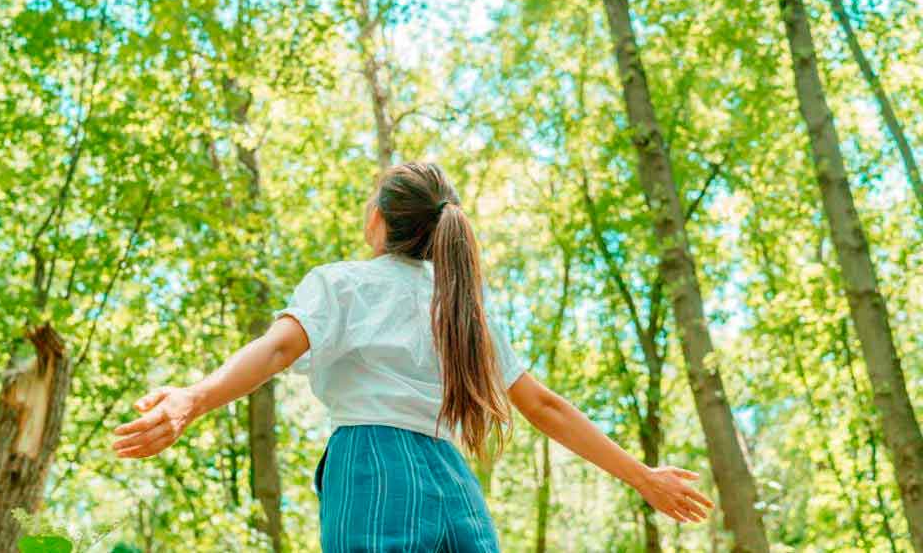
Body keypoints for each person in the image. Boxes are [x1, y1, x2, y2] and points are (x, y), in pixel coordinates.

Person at [112, 161, 713, 551]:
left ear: (378, 220)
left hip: (371, 463)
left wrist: (193, 397)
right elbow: (545, 406)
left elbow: (273, 352)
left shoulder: (344, 282)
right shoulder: (464, 309)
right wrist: (643, 476)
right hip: (452, 480)